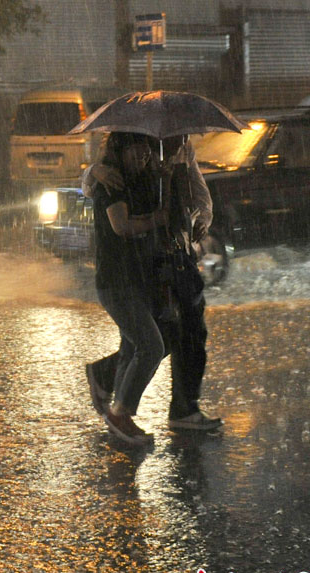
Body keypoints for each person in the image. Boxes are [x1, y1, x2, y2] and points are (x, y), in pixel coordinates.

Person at [85, 133, 222, 440]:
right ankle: (122, 405)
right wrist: (94, 170)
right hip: (145, 267)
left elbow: (199, 193)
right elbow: (106, 203)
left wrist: (201, 216)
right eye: (139, 150)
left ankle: (172, 407)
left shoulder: (176, 155)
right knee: (156, 338)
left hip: (173, 257)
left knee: (178, 332)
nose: (144, 155)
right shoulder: (124, 170)